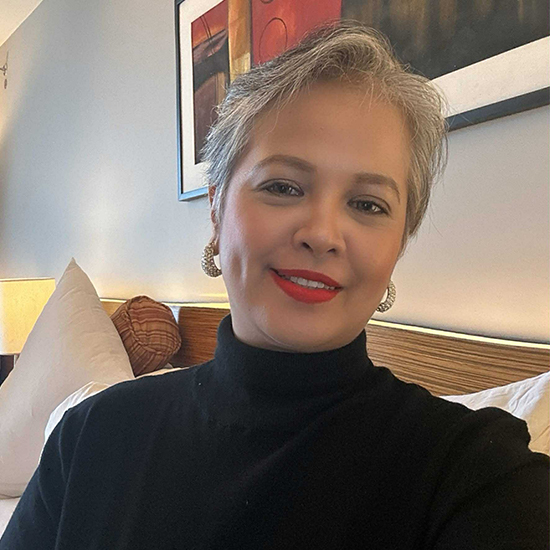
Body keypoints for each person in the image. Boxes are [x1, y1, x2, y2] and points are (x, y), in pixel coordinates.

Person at [2, 22, 548, 550]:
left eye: (368, 204)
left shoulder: (477, 474)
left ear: (399, 242)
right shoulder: (91, 435)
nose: (322, 234)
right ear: (216, 208)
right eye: (284, 187)